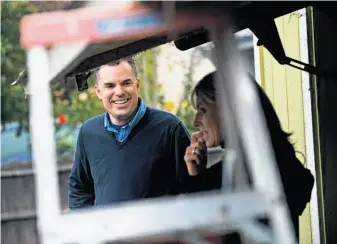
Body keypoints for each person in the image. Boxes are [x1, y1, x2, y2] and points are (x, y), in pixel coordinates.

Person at [184, 71, 315, 240]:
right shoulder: (271, 158)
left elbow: (202, 222)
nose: (196, 121)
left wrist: (196, 177)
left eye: (203, 109)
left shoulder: (245, 169)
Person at [68, 57, 192, 209]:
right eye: (110, 86)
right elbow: (80, 190)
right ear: (98, 91)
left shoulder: (170, 128)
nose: (119, 92)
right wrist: (87, 228)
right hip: (109, 232)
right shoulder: (88, 132)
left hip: (159, 231)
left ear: (137, 85)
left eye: (126, 83)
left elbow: (192, 189)